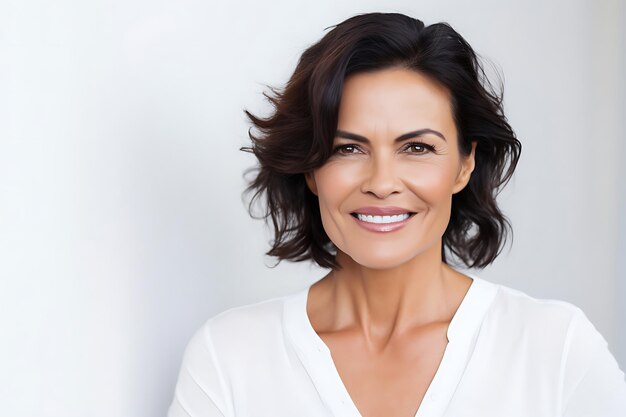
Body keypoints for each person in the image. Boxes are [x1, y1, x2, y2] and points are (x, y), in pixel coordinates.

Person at [167, 12, 626, 417]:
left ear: (464, 164)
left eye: (417, 148)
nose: (382, 182)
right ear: (311, 169)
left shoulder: (556, 349)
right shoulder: (230, 356)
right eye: (347, 148)